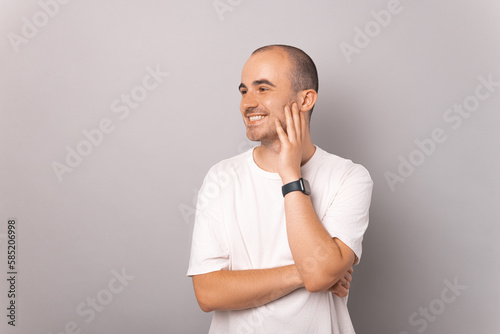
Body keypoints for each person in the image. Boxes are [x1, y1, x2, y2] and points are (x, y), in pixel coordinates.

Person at [186, 44, 373, 333]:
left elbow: (319, 274)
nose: (247, 103)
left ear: (306, 99)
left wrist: (290, 175)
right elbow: (208, 293)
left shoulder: (350, 177)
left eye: (263, 89)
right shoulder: (221, 177)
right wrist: (306, 273)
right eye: (244, 90)